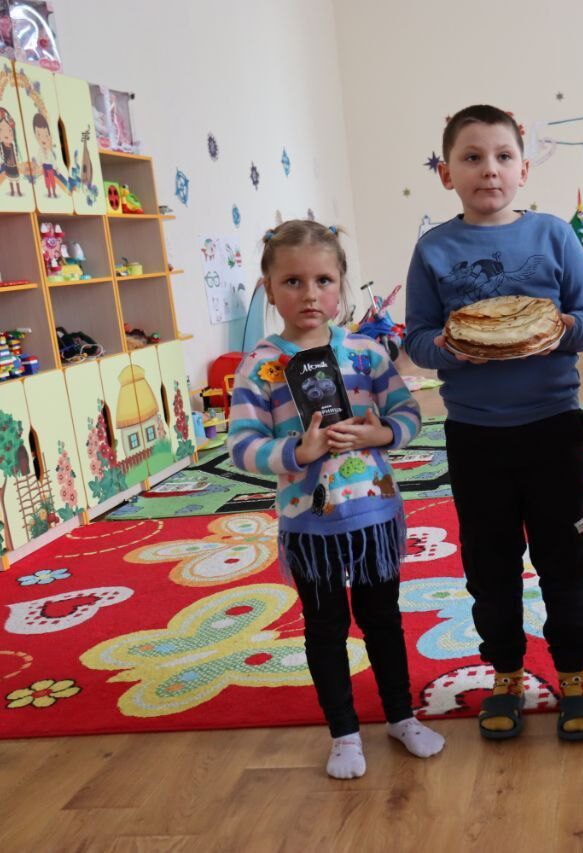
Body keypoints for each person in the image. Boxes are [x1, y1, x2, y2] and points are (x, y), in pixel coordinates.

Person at [405, 105, 583, 741]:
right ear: (447, 173)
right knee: (489, 563)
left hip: (552, 426)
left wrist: (556, 328)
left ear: (523, 169)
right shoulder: (434, 249)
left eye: (502, 156)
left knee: (565, 557)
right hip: (475, 435)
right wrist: (450, 350)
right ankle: (506, 673)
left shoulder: (554, 236)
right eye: (471, 157)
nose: (488, 169)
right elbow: (417, 338)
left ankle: (574, 671)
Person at [229, 220, 444, 779]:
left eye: (323, 280)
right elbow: (241, 446)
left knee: (383, 620)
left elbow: (408, 414)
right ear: (269, 289)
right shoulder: (260, 366)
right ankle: (344, 733)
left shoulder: (367, 353)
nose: (310, 294)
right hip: (309, 525)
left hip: (373, 514)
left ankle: (401, 715)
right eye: (292, 281)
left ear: (342, 283)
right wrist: (295, 452)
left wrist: (381, 433)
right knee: (325, 629)